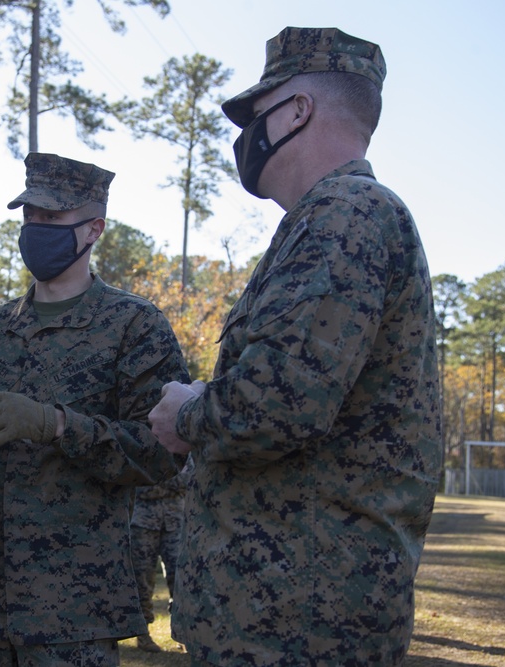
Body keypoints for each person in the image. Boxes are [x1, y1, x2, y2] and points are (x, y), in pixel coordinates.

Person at [148, 27, 442, 665]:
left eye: (256, 116)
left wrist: (186, 412)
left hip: (295, 623)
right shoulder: (332, 218)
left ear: (298, 111)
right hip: (283, 612)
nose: (245, 136)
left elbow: (274, 407)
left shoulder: (345, 215)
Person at [0, 152, 190, 666]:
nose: (36, 229)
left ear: (93, 229)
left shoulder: (134, 326)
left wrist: (58, 424)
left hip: (73, 611)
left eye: (52, 218)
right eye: (30, 217)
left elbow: (162, 455)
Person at [129, 455, 192, 653]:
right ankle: (143, 634)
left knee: (180, 576)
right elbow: (137, 483)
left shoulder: (180, 447)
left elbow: (188, 479)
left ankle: (183, 633)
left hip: (174, 523)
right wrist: (172, 480)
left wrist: (158, 480)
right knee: (142, 578)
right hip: (143, 524)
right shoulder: (142, 445)